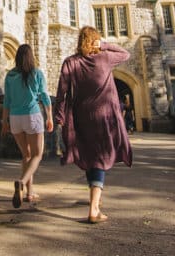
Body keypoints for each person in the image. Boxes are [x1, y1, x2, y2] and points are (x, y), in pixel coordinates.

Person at [54, 26, 132, 224]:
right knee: (99, 159)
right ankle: (94, 208)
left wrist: (59, 116)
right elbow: (125, 53)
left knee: (90, 156)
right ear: (95, 41)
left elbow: (61, 92)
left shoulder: (70, 62)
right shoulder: (105, 58)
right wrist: (104, 45)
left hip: (81, 116)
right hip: (104, 116)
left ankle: (95, 198)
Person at [1, 44, 53, 208]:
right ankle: (22, 182)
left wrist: (4, 122)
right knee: (37, 155)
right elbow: (45, 97)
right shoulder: (36, 73)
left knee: (26, 155)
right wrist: (49, 117)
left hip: (15, 118)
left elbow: (6, 101)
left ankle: (29, 193)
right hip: (32, 116)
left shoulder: (10, 75)